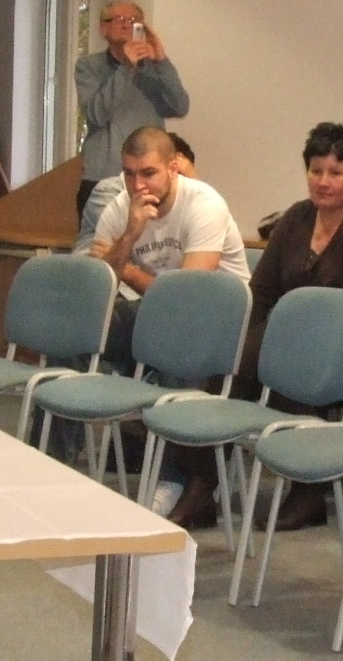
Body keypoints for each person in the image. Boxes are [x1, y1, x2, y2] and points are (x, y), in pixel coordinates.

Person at [242, 122, 343, 530]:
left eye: (336, 172)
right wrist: (252, 335)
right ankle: (202, 483)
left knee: (281, 368)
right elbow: (262, 290)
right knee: (233, 359)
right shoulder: (297, 216)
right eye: (316, 171)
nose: (323, 181)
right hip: (296, 339)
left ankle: (309, 487)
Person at [88, 126, 250, 524]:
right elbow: (98, 286)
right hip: (159, 316)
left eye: (148, 173)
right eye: (129, 174)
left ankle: (173, 480)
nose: (138, 185)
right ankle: (50, 460)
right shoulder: (121, 209)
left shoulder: (204, 204)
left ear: (173, 169)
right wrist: (129, 235)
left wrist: (128, 270)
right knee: (89, 329)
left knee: (175, 349)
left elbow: (189, 295)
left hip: (219, 323)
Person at [74, 1, 188, 246]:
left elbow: (180, 107)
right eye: (119, 20)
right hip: (103, 178)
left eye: (134, 20)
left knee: (148, 251)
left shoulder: (154, 68)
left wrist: (162, 61)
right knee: (102, 253)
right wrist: (126, 68)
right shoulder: (88, 67)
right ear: (103, 29)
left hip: (149, 180)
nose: (127, 25)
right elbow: (96, 114)